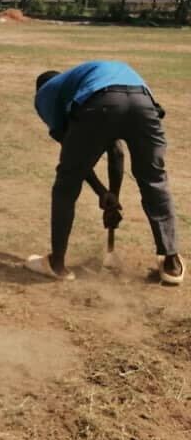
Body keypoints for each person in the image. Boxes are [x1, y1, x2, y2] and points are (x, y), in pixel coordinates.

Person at [27, 61, 183, 285]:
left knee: (66, 185)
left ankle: (57, 264)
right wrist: (109, 195)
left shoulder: (45, 94)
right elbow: (116, 151)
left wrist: (102, 191)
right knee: (154, 180)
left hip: (101, 102)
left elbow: (74, 159)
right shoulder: (85, 80)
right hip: (143, 100)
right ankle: (171, 264)